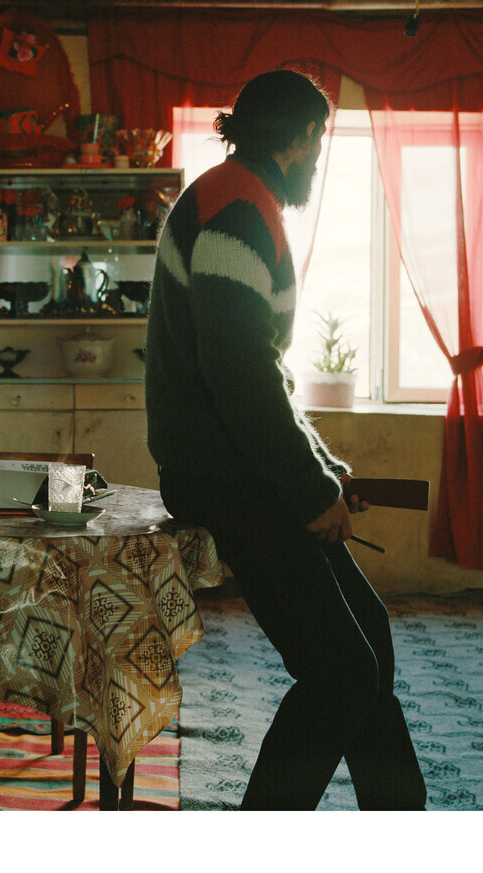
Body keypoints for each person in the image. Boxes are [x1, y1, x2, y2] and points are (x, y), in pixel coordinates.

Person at [144, 68, 427, 811]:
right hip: (228, 479)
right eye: (319, 139)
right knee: (340, 673)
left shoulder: (237, 196)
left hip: (238, 469)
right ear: (301, 137)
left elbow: (260, 369)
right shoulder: (237, 209)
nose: (318, 156)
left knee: (367, 638)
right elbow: (238, 370)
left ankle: (401, 818)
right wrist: (307, 490)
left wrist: (322, 471)